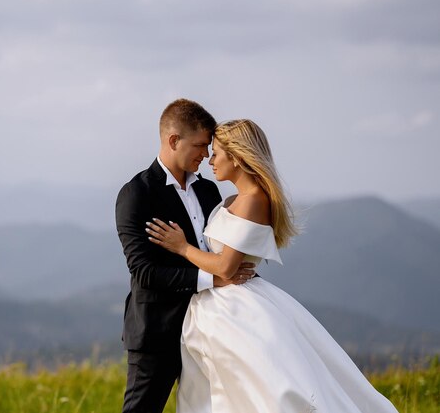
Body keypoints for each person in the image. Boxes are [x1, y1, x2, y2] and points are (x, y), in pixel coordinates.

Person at [146, 119, 399, 412]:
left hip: (235, 311)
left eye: (217, 153)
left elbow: (227, 268)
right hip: (215, 310)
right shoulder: (233, 199)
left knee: (257, 392)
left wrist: (182, 247)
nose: (210, 159)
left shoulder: (254, 200)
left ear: (238, 157)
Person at [115, 100, 257, 413]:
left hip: (210, 329)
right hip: (157, 332)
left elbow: (215, 249)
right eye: (201, 146)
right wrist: (215, 278)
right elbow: (145, 272)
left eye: (209, 148)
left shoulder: (208, 190)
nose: (206, 156)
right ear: (173, 140)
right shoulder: (137, 193)